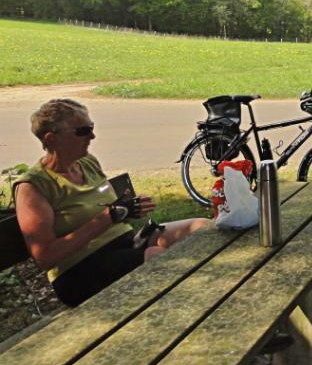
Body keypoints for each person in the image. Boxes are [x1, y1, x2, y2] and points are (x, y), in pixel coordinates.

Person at [13, 98, 211, 306]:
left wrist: (129, 208)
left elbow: (107, 209)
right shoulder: (33, 186)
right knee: (157, 256)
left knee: (200, 227)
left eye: (91, 127)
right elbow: (45, 257)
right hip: (78, 271)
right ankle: (196, 310)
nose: (92, 136)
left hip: (123, 244)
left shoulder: (87, 163)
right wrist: (107, 218)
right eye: (82, 131)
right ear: (52, 139)